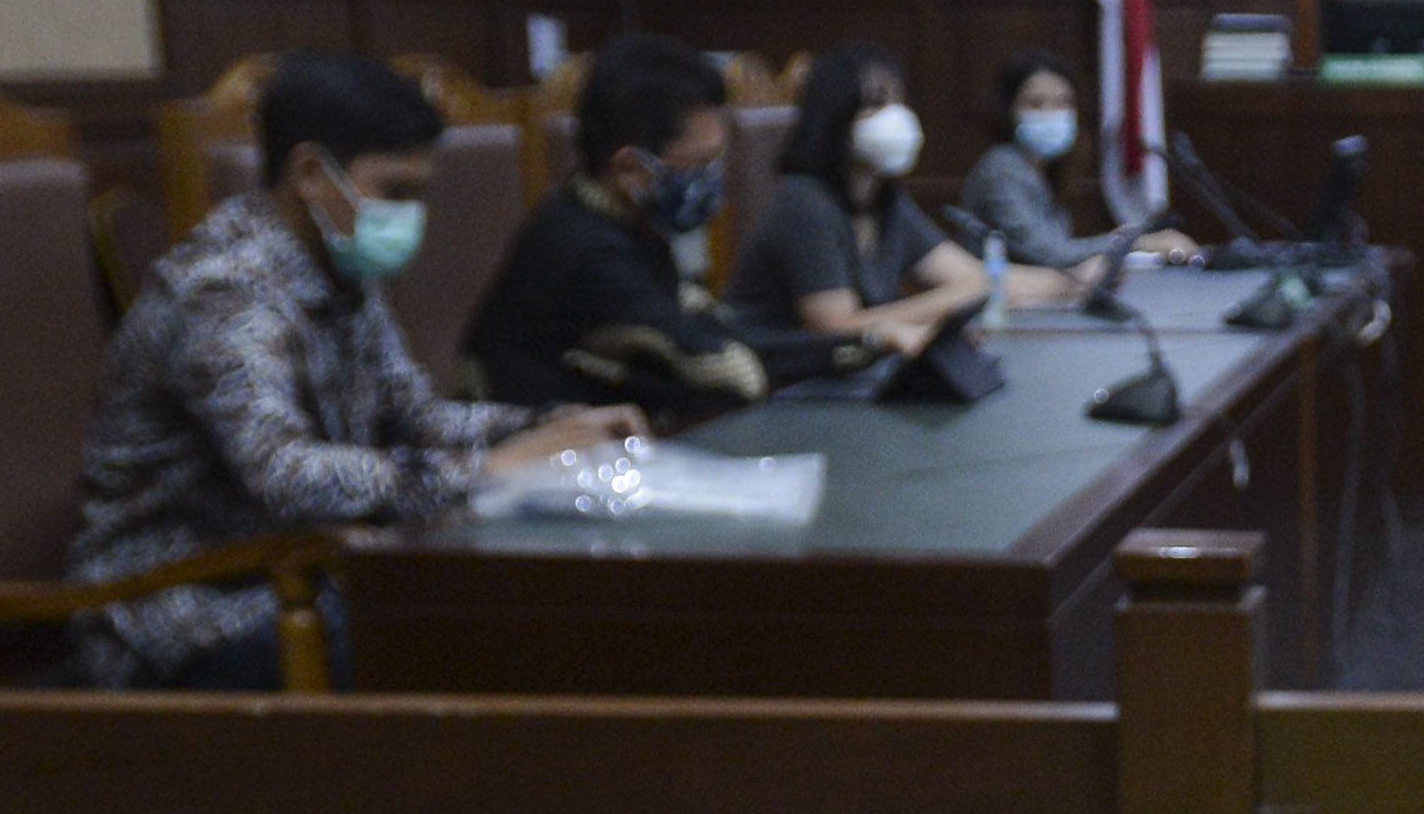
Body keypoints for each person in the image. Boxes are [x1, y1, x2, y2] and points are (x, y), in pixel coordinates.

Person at [69, 50, 641, 690]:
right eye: (395, 191)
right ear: (311, 172)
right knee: (461, 631)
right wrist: (488, 470)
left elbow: (411, 414)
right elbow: (288, 476)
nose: (411, 215)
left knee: (523, 596)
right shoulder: (224, 293)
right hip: (181, 612)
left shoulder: (337, 260)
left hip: (302, 568)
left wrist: (550, 424)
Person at [465, 34, 768, 420]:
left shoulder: (621, 218)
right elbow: (730, 374)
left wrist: (855, 342)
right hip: (534, 458)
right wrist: (850, 347)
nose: (712, 180)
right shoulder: (584, 249)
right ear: (630, 168)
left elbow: (715, 332)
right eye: (699, 165)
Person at [726, 43, 989, 365]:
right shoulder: (803, 203)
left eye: (899, 102)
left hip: (849, 380)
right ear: (835, 114)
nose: (896, 117)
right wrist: (938, 312)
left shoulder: (886, 201)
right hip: (777, 391)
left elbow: (973, 280)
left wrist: (926, 316)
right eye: (876, 103)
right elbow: (836, 326)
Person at [955, 50, 1196, 306]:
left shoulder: (1046, 168)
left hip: (1035, 305)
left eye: (1063, 103)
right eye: (1035, 104)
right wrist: (1134, 242)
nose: (1051, 113)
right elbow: (1047, 253)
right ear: (1009, 111)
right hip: (996, 313)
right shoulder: (1002, 169)